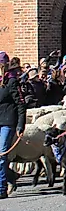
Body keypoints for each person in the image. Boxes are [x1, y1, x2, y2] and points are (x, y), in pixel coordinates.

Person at [0, 58, 26, 199]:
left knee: (2, 155)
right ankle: (11, 176)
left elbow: (20, 104)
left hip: (7, 122)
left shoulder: (12, 82)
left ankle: (1, 188)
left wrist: (20, 124)